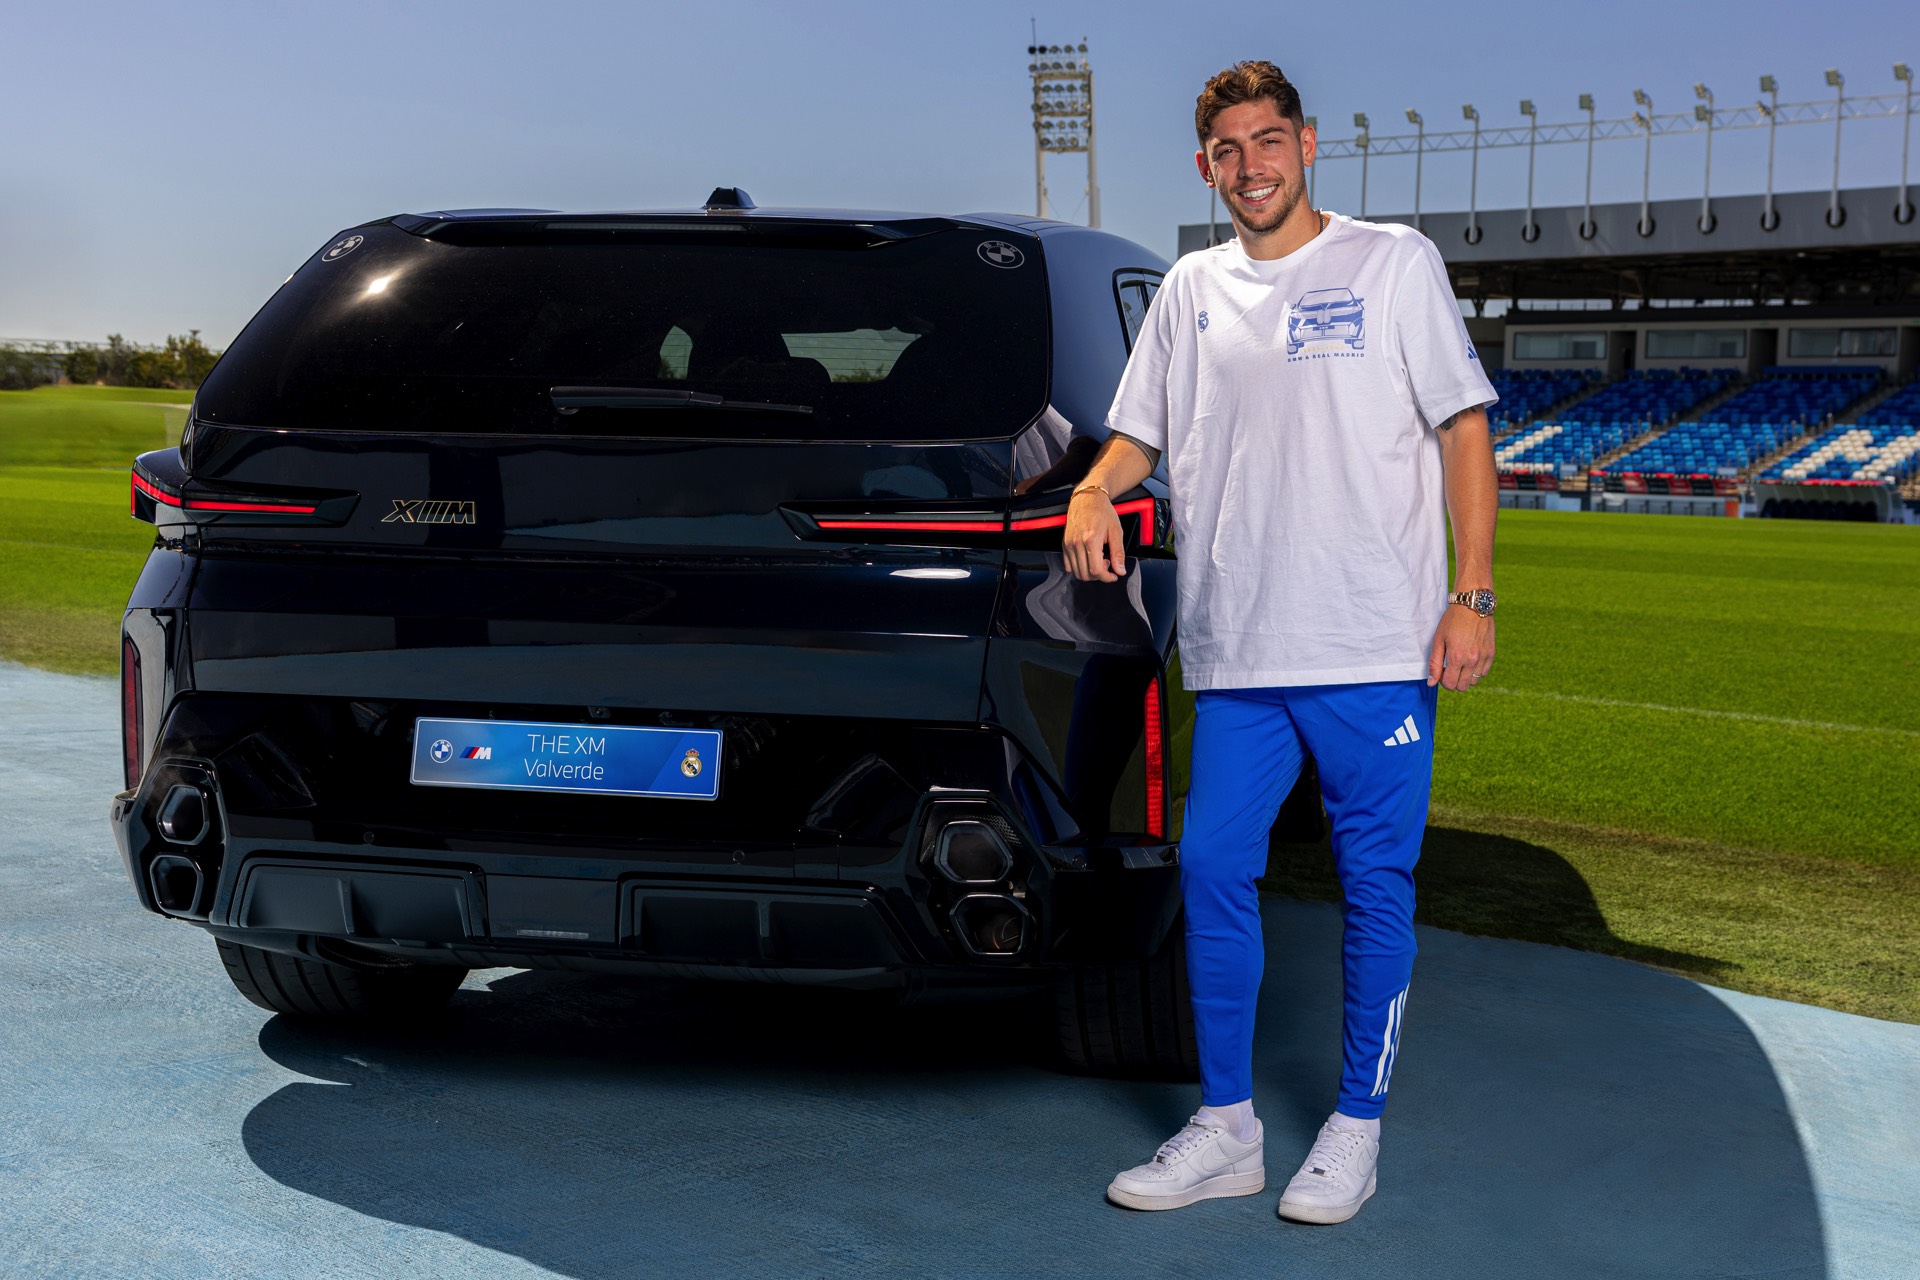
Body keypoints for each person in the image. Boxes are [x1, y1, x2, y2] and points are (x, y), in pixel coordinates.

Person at [1063, 60, 1499, 1225]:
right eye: (1227, 150)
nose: (1250, 166)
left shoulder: (1392, 261)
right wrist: (1095, 488)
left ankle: (1355, 1125)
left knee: (1374, 883)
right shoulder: (1190, 289)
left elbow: (1463, 430)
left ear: (1306, 144)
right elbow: (1138, 435)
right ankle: (1228, 1128)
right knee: (1211, 867)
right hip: (1239, 650)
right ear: (1204, 165)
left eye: (1268, 141)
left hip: (1374, 645)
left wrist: (1474, 593)